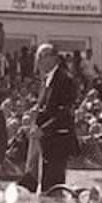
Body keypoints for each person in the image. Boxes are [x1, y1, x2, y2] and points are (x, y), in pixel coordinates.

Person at [32, 43, 79, 190]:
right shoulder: (47, 80)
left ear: (53, 58)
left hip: (58, 139)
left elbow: (64, 112)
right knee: (46, 184)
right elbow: (48, 108)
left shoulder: (64, 79)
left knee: (54, 185)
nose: (38, 61)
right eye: (38, 57)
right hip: (47, 141)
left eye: (41, 57)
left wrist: (44, 129)